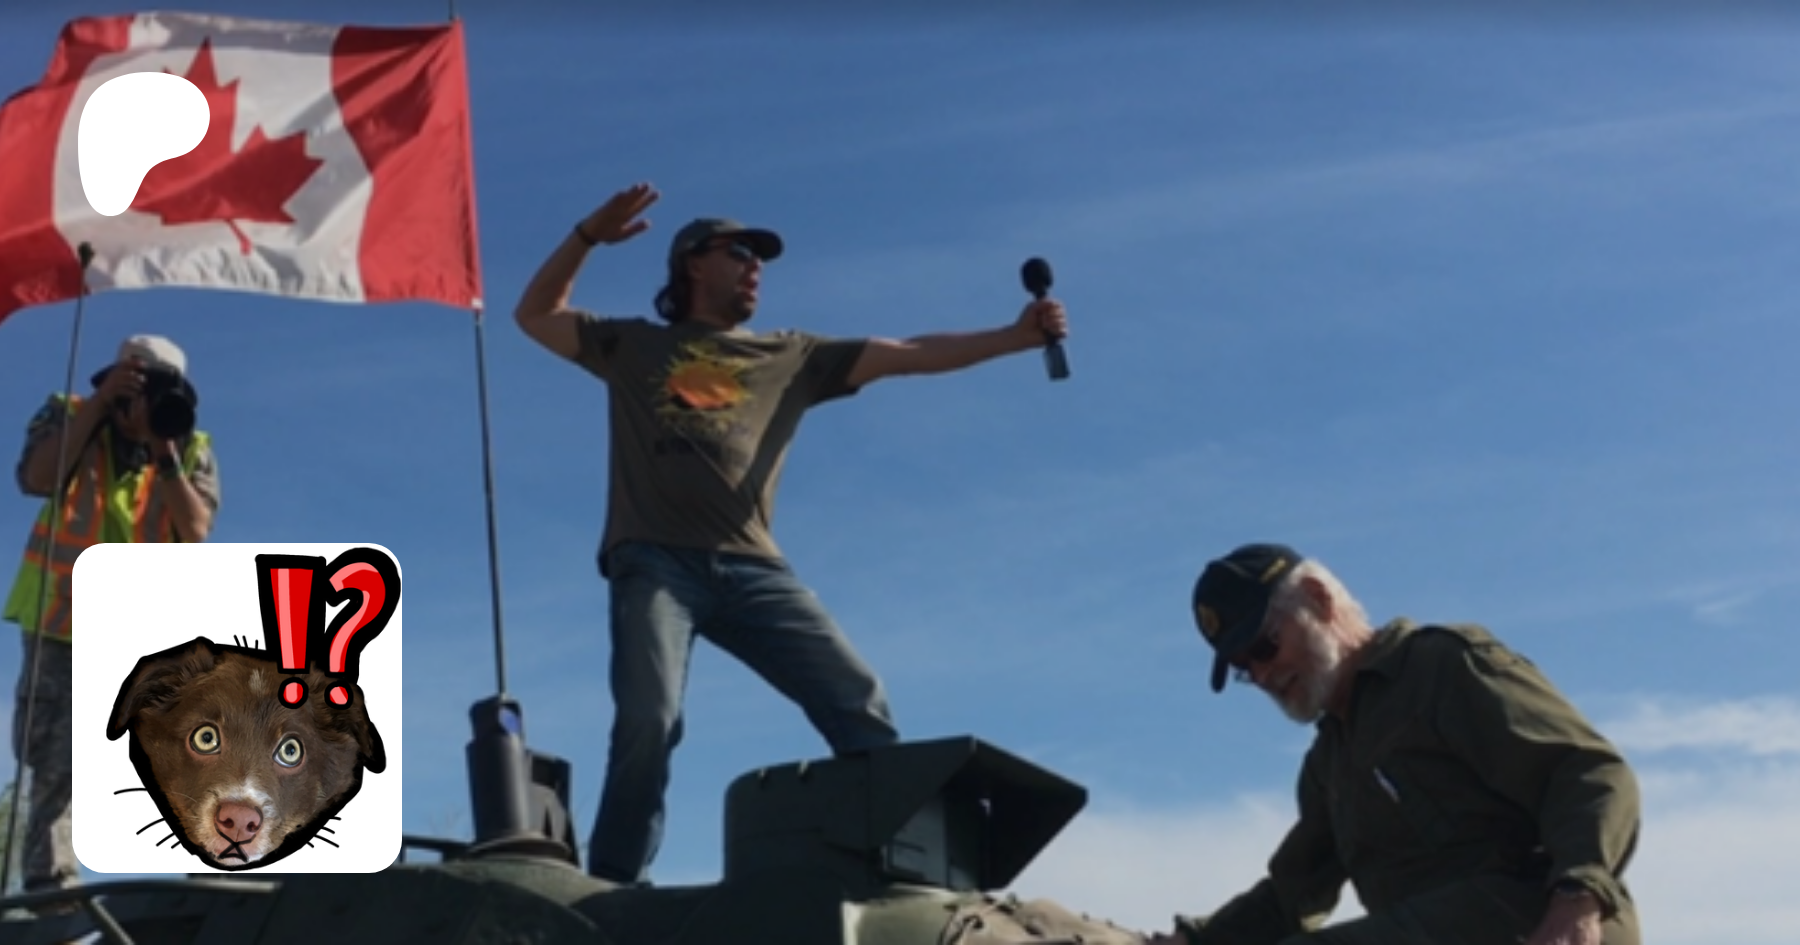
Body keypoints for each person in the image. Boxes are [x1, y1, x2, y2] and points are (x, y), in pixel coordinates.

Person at [513, 181, 1070, 884]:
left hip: (754, 569)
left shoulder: (792, 355)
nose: (755, 267)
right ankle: (614, 891)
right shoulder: (634, 345)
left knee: (858, 697)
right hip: (655, 564)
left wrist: (1014, 338)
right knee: (649, 719)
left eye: (761, 258)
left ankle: (894, 874)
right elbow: (535, 315)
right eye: (738, 252)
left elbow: (909, 352)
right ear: (692, 263)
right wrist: (587, 236)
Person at [1152, 543, 1641, 945]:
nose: (1262, 675)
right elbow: (1290, 896)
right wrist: (1192, 941)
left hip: (1541, 917)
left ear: (1319, 599)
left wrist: (1577, 902)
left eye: (1264, 647)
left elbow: (1588, 772)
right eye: (1244, 668)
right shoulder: (1328, 764)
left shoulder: (1440, 668)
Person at [4, 334, 220, 898]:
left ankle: (208, 884)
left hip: (145, 632)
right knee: (58, 762)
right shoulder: (69, 416)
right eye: (137, 385)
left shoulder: (189, 446)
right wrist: (99, 407)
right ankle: (51, 899)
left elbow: (195, 527)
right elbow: (36, 479)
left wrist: (163, 448)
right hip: (62, 624)